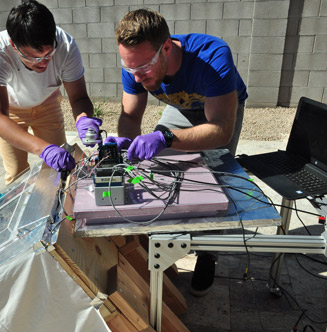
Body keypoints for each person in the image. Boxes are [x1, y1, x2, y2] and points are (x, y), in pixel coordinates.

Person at [109, 9, 248, 296]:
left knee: (214, 181)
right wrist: (127, 150)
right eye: (129, 69)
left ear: (167, 48)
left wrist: (166, 137)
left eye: (144, 68)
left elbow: (220, 129)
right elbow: (131, 118)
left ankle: (208, 254)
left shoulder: (212, 57)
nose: (136, 78)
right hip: (181, 107)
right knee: (157, 168)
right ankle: (168, 238)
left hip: (221, 110)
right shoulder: (136, 65)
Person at [0, 0, 102, 185]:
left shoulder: (65, 45)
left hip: (48, 105)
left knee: (58, 171)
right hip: (11, 113)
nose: (43, 62)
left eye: (48, 54)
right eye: (34, 57)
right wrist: (44, 149)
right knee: (17, 175)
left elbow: (79, 98)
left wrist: (83, 119)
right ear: (14, 46)